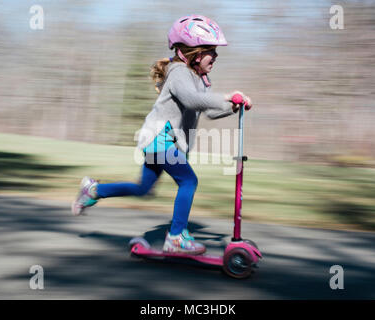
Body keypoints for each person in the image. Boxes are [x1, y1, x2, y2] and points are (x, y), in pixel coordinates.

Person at [72, 14, 252, 255]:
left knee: (142, 189)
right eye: (212, 51)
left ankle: (93, 191)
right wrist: (226, 96)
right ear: (195, 52)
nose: (216, 56)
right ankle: (176, 238)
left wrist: (233, 106)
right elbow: (193, 100)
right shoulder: (179, 72)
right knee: (189, 181)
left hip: (161, 142)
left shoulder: (198, 78)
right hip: (160, 139)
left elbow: (207, 110)